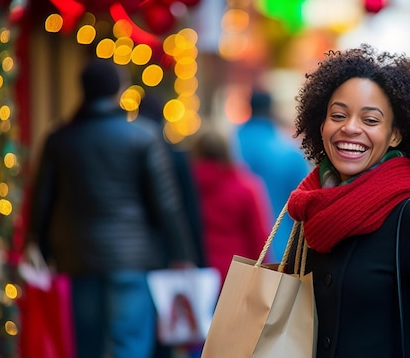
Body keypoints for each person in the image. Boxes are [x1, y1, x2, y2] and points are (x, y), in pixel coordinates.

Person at [286, 44, 410, 357]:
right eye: (338, 115)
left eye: (370, 120)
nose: (350, 128)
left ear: (395, 135)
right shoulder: (310, 211)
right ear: (321, 125)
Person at [25, 58, 197, 358]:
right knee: (128, 344)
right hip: (133, 258)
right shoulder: (143, 136)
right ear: (118, 90)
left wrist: (36, 245)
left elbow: (42, 200)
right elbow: (167, 204)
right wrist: (182, 254)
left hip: (78, 258)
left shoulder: (59, 139)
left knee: (88, 346)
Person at [139, 92, 208, 358]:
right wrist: (193, 257)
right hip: (167, 252)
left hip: (138, 253)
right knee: (164, 323)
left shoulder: (130, 148)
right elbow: (187, 210)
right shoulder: (176, 155)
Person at [231, 90, 311, 260]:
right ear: (270, 109)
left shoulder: (229, 145)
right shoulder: (289, 151)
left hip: (233, 253)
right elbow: (306, 207)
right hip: (278, 248)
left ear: (249, 107)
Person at [190, 127, 272, 290]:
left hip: (198, 276)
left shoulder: (188, 187)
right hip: (237, 275)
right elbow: (259, 239)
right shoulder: (245, 187)